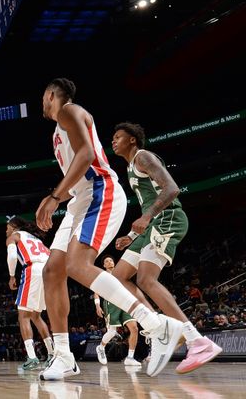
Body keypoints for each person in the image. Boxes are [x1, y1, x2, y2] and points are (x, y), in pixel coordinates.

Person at [36, 78, 182, 380]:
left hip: (100, 193)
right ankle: (63, 357)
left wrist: (53, 198)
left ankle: (156, 325)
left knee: (77, 264)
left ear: (52, 95)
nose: (42, 103)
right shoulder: (58, 130)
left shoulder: (68, 110)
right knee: (52, 271)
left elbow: (88, 155)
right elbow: (78, 168)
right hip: (80, 200)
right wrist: (59, 198)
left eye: (43, 97)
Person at [111, 122, 222, 373]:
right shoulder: (130, 167)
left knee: (146, 280)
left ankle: (197, 341)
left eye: (118, 137)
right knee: (117, 278)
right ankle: (159, 327)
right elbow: (149, 202)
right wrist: (130, 235)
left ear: (132, 140)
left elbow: (172, 188)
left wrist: (147, 216)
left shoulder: (143, 157)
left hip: (168, 218)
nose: (113, 141)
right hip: (152, 225)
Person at [5, 216, 55, 370]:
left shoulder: (15, 236)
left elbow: (13, 256)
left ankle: (32, 357)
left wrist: (12, 275)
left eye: (7, 228)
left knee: (23, 316)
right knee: (36, 315)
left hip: (32, 270)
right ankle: (53, 354)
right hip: (47, 271)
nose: (6, 231)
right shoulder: (36, 239)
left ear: (14, 227)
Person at [94, 256, 140, 368]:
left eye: (111, 260)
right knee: (112, 332)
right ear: (104, 265)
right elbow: (96, 291)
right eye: (106, 261)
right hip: (111, 303)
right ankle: (101, 347)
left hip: (125, 302)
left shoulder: (121, 274)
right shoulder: (102, 276)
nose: (109, 262)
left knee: (134, 328)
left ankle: (130, 357)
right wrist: (97, 305)